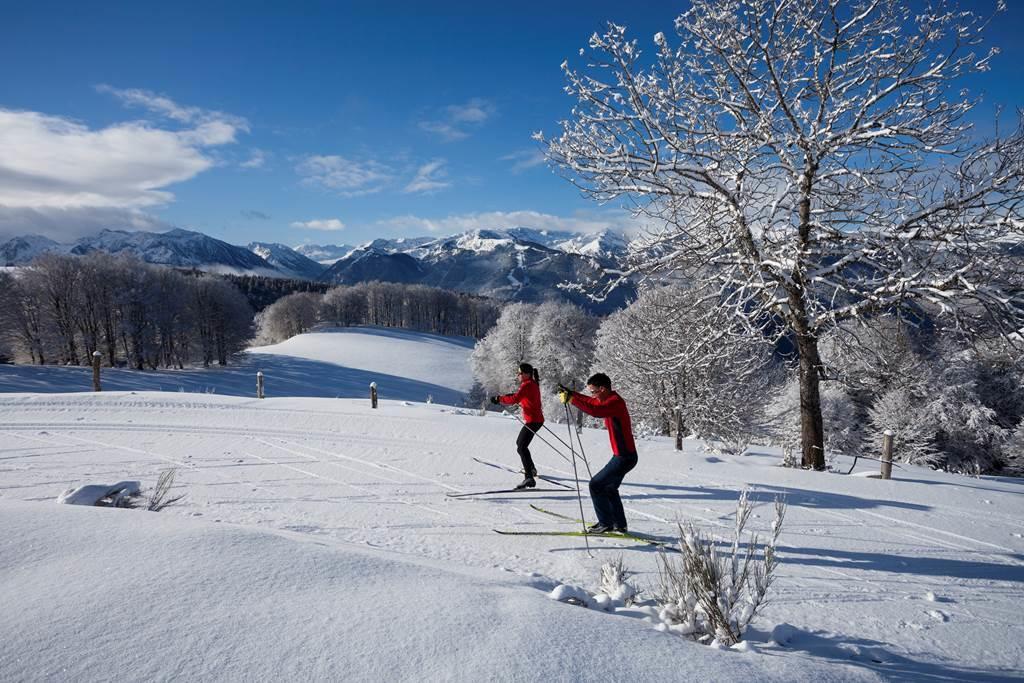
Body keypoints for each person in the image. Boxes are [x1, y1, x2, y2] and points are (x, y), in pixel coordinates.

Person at [558, 373, 636, 534]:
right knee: (609, 488)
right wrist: (572, 394)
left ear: (603, 388)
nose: (592, 395)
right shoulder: (607, 398)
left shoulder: (615, 402)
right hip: (624, 456)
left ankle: (605, 523)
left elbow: (596, 411)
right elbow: (591, 401)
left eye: (594, 391)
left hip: (624, 457)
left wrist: (572, 400)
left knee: (595, 485)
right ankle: (619, 525)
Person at [491, 363, 544, 489]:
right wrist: (506, 397)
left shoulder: (527, 385)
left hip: (533, 421)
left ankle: (529, 478)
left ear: (526, 374)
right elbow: (519, 396)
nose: (518, 375)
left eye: (519, 373)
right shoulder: (532, 384)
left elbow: (515, 399)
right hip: (535, 420)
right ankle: (531, 469)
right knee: (521, 444)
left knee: (521, 447)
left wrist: (500, 399)